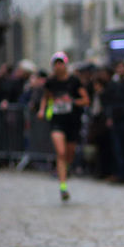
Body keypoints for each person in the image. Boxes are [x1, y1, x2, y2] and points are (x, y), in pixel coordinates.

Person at [38, 52, 89, 201]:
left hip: (72, 121)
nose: (58, 66)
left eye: (61, 63)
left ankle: (65, 170)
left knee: (69, 153)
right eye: (56, 63)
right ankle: (63, 186)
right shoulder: (51, 82)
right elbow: (45, 97)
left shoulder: (74, 81)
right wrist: (42, 110)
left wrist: (72, 101)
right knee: (60, 152)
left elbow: (86, 99)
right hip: (57, 120)